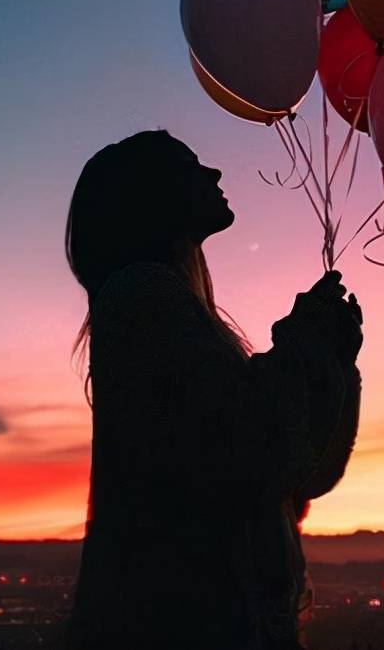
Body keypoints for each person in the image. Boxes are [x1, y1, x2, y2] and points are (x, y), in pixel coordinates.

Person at [64, 129, 363, 650]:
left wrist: (329, 352)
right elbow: (245, 446)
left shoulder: (169, 309)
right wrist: (311, 340)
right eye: (191, 165)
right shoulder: (141, 297)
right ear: (150, 193)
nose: (215, 173)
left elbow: (296, 474)